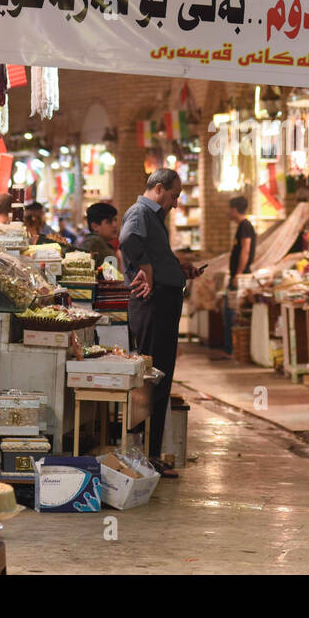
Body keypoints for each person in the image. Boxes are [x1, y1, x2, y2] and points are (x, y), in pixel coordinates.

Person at [120, 170, 203, 477]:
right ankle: (146, 456)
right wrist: (146, 268)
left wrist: (175, 267)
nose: (176, 203)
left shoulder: (153, 216)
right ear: (158, 189)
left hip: (162, 303)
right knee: (153, 380)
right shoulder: (142, 212)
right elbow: (128, 239)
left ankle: (150, 454)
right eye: (173, 195)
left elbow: (151, 251)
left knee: (160, 377)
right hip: (152, 305)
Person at [219, 196, 255, 355]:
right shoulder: (242, 226)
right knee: (228, 312)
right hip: (237, 275)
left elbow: (245, 251)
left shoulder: (245, 226)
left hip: (241, 277)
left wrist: (238, 274)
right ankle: (230, 348)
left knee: (232, 312)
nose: (227, 212)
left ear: (234, 209)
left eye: (229, 209)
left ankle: (232, 349)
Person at [76, 201, 121, 270]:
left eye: (115, 220)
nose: (115, 225)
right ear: (95, 226)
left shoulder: (99, 242)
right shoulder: (94, 241)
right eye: (109, 222)